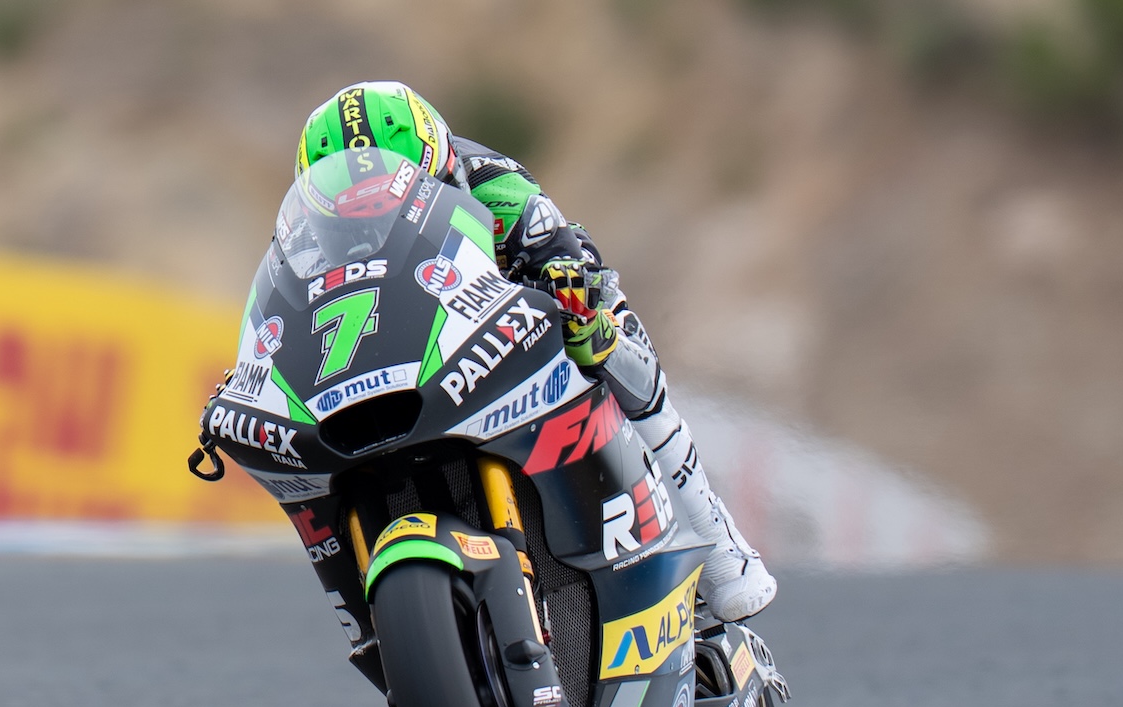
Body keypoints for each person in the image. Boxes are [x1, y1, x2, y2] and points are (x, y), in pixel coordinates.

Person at [295, 81, 776, 623]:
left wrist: (571, 290)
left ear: (441, 169)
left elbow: (568, 255)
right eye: (352, 224)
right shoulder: (304, 233)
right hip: (403, 352)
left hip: (504, 321)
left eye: (387, 212)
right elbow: (285, 312)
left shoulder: (498, 188)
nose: (372, 231)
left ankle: (718, 542)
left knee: (609, 344)